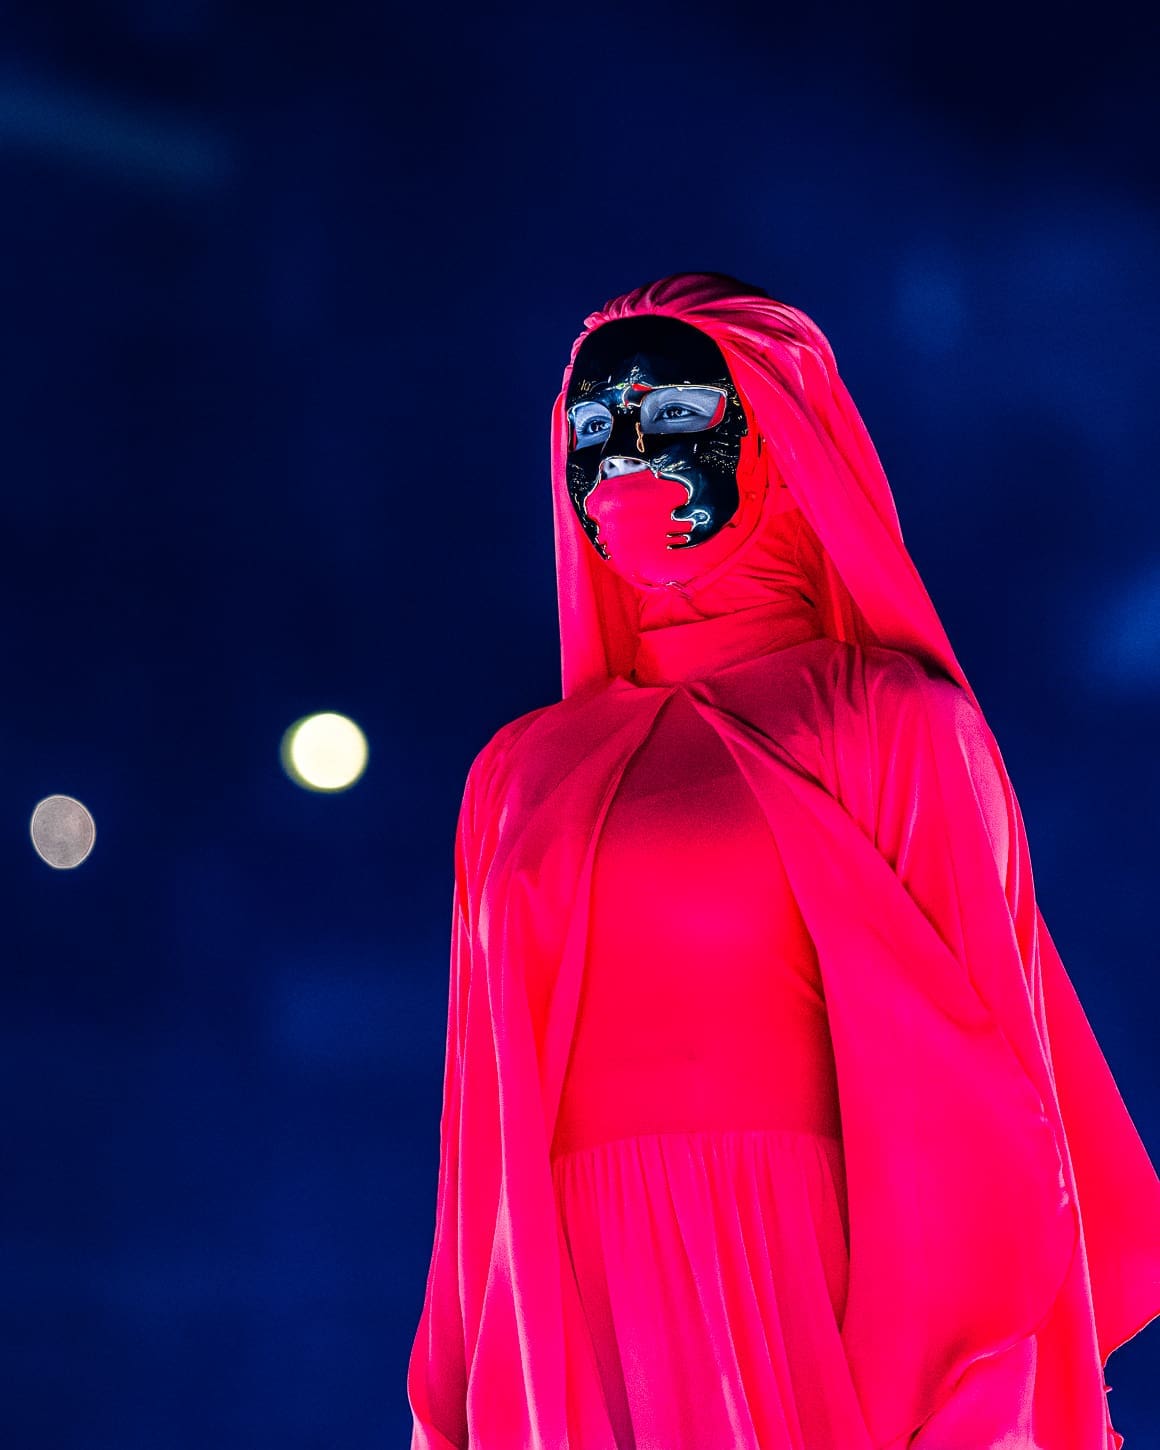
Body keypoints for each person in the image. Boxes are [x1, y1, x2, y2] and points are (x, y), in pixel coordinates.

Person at [407, 271, 1160, 1449]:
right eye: (593, 430)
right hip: (577, 1311)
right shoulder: (515, 774)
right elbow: (476, 1150)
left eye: (670, 417)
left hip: (806, 1283)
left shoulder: (889, 724)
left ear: (775, 434)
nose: (621, 461)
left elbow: (980, 1092)